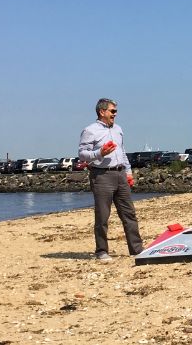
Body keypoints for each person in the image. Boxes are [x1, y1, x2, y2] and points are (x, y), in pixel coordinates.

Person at [78, 98, 144, 261]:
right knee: (102, 216)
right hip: (102, 176)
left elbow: (122, 152)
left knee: (129, 214)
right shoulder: (90, 130)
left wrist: (128, 172)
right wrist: (100, 153)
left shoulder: (118, 129)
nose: (116, 114)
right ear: (102, 112)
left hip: (120, 174)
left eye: (116, 111)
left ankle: (136, 249)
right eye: (113, 111)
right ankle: (101, 251)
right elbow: (82, 154)